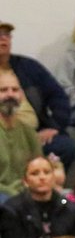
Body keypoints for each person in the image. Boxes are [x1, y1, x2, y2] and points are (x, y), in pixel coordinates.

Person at [0, 21, 75, 167]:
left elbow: (59, 96)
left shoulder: (29, 67)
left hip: (36, 136)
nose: (3, 39)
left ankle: (47, 186)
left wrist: (54, 127)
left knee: (66, 146)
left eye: (7, 35)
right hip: (3, 138)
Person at [0, 69, 42, 202]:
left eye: (15, 89)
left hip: (25, 193)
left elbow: (39, 165)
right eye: (3, 90)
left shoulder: (28, 131)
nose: (10, 94)